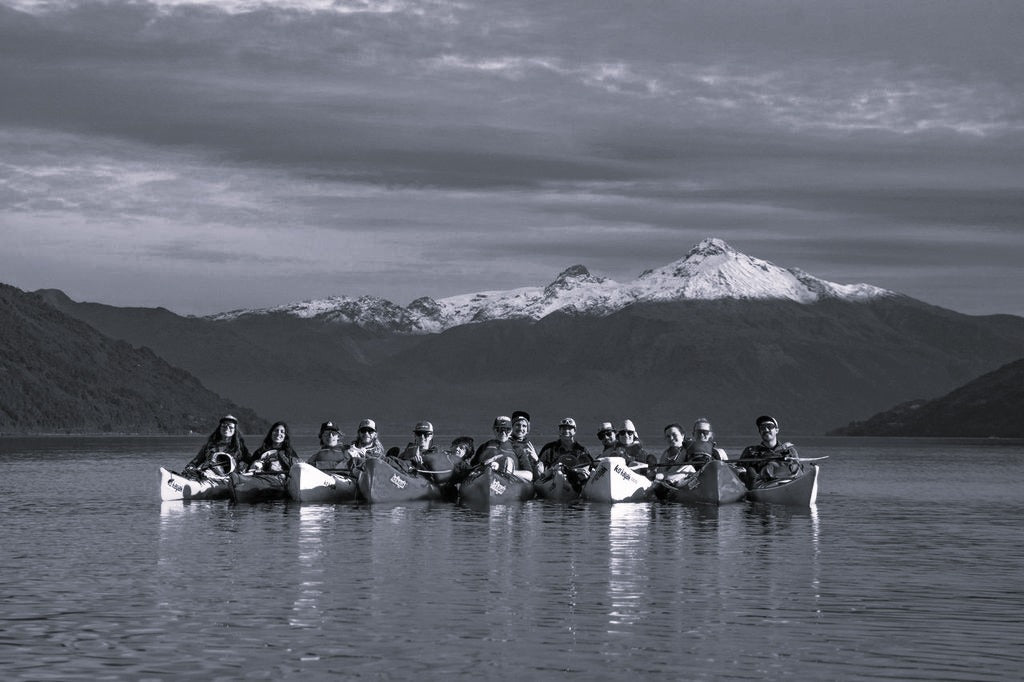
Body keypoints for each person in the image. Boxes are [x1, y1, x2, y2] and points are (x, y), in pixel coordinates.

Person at [737, 415, 802, 489]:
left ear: (776, 430)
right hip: (761, 487)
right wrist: (743, 473)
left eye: (770, 426)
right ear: (760, 432)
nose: (766, 430)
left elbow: (798, 470)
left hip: (788, 483)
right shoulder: (750, 451)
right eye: (762, 428)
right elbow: (738, 468)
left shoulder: (789, 450)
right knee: (750, 471)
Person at [183, 414, 251, 477]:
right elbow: (196, 462)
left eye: (231, 427)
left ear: (235, 430)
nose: (227, 428)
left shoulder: (239, 448)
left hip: (228, 479)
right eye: (224, 426)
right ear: (220, 428)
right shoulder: (209, 446)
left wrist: (247, 470)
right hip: (206, 476)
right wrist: (190, 468)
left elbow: (251, 461)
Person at [509, 410, 541, 477]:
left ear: (527, 429)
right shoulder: (505, 443)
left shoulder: (529, 447)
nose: (521, 428)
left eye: (524, 426)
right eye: (518, 425)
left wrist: (537, 461)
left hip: (525, 480)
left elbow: (539, 476)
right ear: (512, 426)